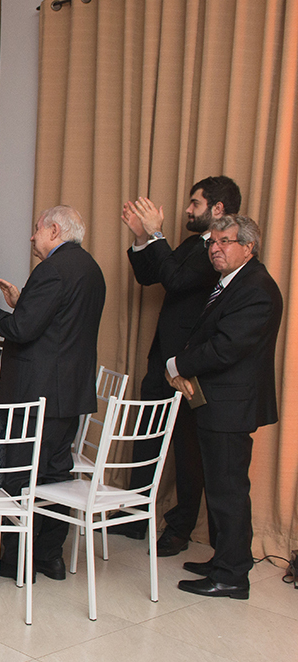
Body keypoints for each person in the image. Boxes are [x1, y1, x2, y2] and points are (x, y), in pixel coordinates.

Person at [0, 205, 106, 581]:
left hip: (37, 392)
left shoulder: (51, 269)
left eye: (36, 230)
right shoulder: (89, 268)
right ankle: (50, 556)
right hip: (69, 390)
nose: (32, 237)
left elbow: (22, 331)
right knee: (55, 475)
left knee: (22, 474)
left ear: (54, 229)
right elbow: (59, 322)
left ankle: (18, 560)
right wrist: (22, 303)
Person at [119, 176, 240, 555]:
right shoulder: (192, 243)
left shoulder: (217, 252)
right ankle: (135, 517)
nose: (188, 210)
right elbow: (149, 275)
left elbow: (174, 280)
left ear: (217, 209)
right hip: (161, 359)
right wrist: (142, 239)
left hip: (191, 366)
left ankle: (180, 528)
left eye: (195, 204)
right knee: (146, 436)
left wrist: (156, 234)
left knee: (189, 451)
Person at [169, 216, 282, 599]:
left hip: (231, 406)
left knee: (228, 491)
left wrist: (176, 365)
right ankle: (225, 560)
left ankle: (232, 575)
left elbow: (225, 347)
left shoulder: (256, 288)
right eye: (212, 242)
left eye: (225, 242)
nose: (215, 248)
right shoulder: (232, 283)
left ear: (248, 247)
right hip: (216, 403)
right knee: (220, 488)